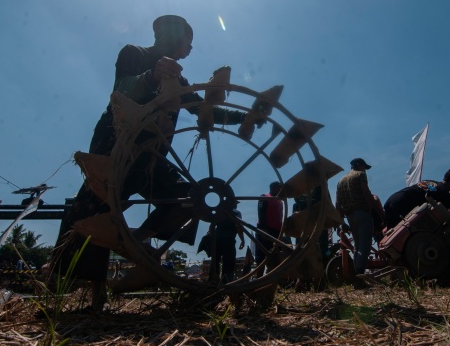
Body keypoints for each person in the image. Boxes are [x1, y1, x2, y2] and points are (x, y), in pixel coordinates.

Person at [51, 15, 249, 310]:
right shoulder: (135, 54)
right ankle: (85, 290)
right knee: (94, 209)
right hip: (116, 148)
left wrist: (246, 118)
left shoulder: (179, 81)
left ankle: (136, 242)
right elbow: (123, 88)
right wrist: (152, 76)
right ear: (173, 36)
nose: (190, 49)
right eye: (188, 42)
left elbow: (201, 110)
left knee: (187, 199)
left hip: (152, 159)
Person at [335, 158, 379, 282]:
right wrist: (378, 212)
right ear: (359, 165)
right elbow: (366, 193)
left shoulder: (341, 181)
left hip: (349, 216)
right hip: (363, 213)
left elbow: (337, 203)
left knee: (358, 246)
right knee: (365, 246)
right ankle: (360, 277)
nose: (365, 169)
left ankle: (355, 275)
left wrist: (341, 222)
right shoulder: (360, 175)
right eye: (364, 167)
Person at [383, 168, 450, 230]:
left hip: (392, 200)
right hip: (402, 204)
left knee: (393, 236)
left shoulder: (431, 182)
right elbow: (449, 215)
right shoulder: (444, 193)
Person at [255, 181, 283, 277]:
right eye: (279, 187)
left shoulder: (280, 201)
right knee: (261, 256)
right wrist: (262, 228)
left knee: (276, 255)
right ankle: (259, 278)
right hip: (265, 230)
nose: (280, 190)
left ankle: (273, 279)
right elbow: (261, 212)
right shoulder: (264, 197)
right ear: (273, 188)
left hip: (276, 232)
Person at [212, 202, 245, 283]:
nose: (236, 205)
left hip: (217, 240)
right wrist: (242, 240)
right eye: (236, 203)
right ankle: (227, 283)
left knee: (215, 262)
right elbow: (239, 226)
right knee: (229, 263)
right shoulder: (236, 213)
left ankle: (213, 282)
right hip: (229, 240)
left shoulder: (220, 212)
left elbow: (211, 227)